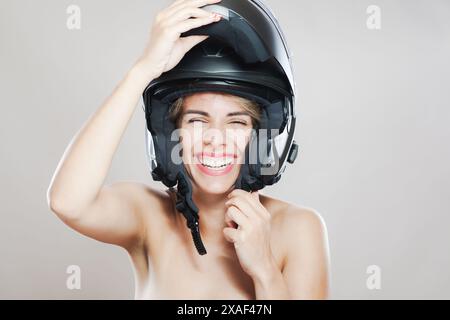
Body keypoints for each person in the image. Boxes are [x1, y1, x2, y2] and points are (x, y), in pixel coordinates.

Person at [47, 0, 330, 300]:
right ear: (173, 133)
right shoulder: (148, 218)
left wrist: (264, 270)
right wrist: (143, 71)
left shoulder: (299, 230)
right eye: (197, 120)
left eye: (236, 122)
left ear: (259, 135)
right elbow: (68, 202)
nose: (215, 139)